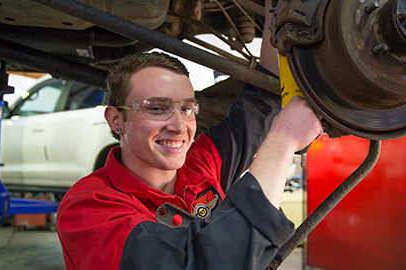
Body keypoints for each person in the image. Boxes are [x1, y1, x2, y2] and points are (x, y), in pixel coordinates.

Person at [56, 2, 323, 269]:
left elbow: (261, 102)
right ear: (116, 120)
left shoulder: (201, 162)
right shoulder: (88, 208)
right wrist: (282, 142)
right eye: (157, 108)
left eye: (186, 109)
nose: (179, 125)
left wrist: (274, 11)